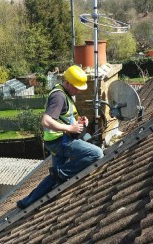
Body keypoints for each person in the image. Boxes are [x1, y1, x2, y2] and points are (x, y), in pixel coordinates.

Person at [17, 65, 104, 209]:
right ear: (68, 82)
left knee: (55, 179)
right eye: (76, 87)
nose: (78, 91)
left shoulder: (65, 93)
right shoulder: (59, 96)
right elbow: (46, 121)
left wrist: (79, 121)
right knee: (96, 153)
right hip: (60, 140)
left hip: (56, 141)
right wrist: (70, 128)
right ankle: (60, 173)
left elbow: (64, 116)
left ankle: (26, 202)